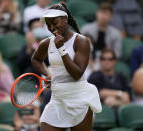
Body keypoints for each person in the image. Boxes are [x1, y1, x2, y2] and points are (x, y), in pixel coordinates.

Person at [31, 2, 102, 131]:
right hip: (57, 100)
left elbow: (77, 74)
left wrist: (61, 49)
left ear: (65, 19)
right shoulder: (46, 43)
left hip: (79, 100)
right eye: (48, 25)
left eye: (55, 22)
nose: (52, 27)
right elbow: (36, 59)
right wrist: (47, 73)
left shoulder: (82, 41)